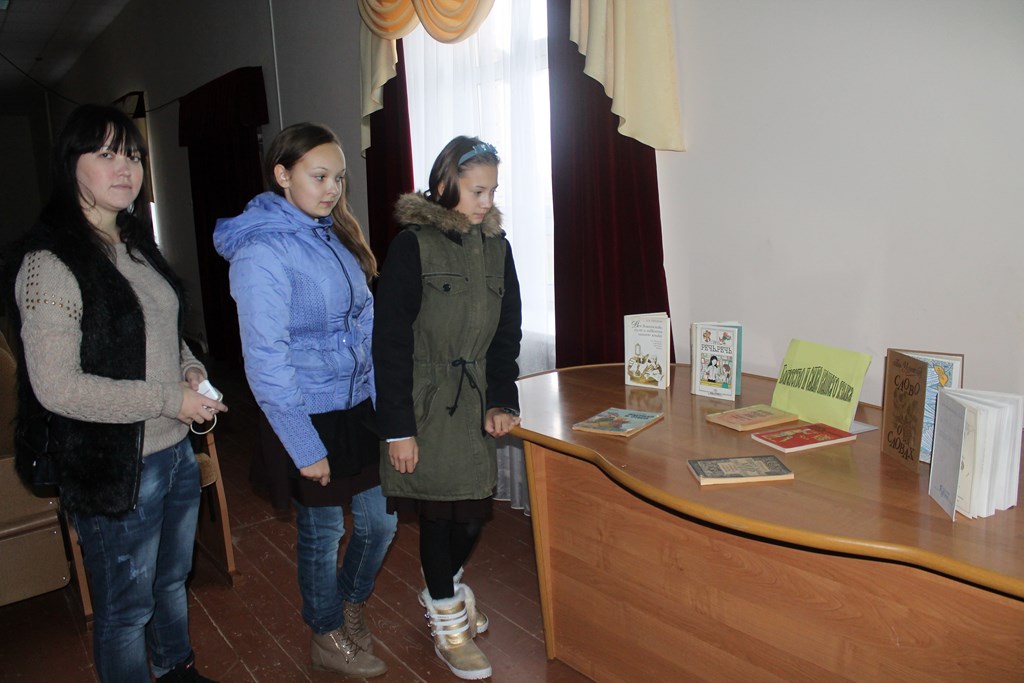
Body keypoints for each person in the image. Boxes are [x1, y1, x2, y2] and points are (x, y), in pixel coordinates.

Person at [4, 104, 226, 682]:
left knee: (171, 582)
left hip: (174, 454)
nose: (125, 168)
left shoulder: (134, 244)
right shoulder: (49, 263)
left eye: (132, 154)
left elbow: (166, 334)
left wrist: (189, 371)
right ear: (69, 165)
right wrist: (168, 399)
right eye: (105, 154)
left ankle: (176, 670)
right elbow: (57, 387)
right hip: (111, 468)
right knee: (126, 610)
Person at [213, 122, 396, 678]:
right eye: (319, 176)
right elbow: (265, 359)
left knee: (380, 523)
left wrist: (385, 402)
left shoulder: (333, 235)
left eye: (338, 178)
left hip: (357, 407)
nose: (332, 189)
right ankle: (325, 632)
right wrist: (304, 445)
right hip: (306, 413)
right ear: (282, 175)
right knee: (322, 534)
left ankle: (348, 603)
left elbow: (366, 324)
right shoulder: (261, 252)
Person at [373, 136, 523, 680]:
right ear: (444, 183)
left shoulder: (498, 248)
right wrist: (398, 428)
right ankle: (448, 624)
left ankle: (445, 588)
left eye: (492, 191)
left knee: (473, 512)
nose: (486, 202)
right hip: (427, 400)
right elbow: (389, 342)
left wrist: (502, 398)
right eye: (476, 190)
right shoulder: (412, 246)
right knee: (440, 514)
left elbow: (507, 334)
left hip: (476, 397)